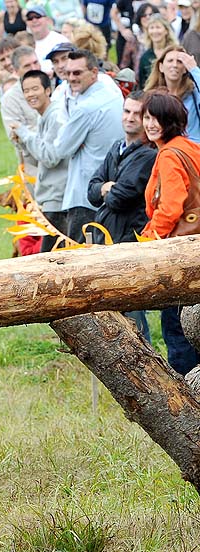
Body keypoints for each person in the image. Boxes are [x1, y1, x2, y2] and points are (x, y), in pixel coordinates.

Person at [86, 90, 156, 338]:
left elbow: (120, 197)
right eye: (127, 111)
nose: (130, 118)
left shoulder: (149, 154)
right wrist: (106, 187)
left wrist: (107, 188)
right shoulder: (117, 147)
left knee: (132, 316)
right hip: (107, 237)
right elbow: (92, 190)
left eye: (138, 113)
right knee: (112, 312)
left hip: (129, 238)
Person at [140, 90, 200, 375]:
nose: (150, 124)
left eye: (157, 119)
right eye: (147, 117)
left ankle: (190, 396)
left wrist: (148, 243)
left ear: (171, 120)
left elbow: (171, 207)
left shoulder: (169, 155)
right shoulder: (189, 146)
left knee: (178, 332)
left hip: (179, 252)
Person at [46, 50, 123, 241]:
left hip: (85, 194)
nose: (71, 78)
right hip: (109, 187)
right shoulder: (110, 89)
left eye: (77, 73)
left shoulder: (86, 108)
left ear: (94, 72)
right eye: (69, 73)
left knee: (77, 258)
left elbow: (60, 148)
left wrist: (73, 139)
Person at [10, 70, 69, 252]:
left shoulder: (56, 116)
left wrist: (25, 133)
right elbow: (41, 155)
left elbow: (50, 157)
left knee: (50, 260)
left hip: (58, 199)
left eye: (35, 89)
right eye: (26, 91)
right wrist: (23, 142)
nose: (30, 94)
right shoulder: (43, 116)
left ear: (48, 90)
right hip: (49, 197)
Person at [144, 45, 200, 142]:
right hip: (163, 150)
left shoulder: (194, 94)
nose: (175, 65)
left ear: (185, 68)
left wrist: (194, 70)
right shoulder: (152, 97)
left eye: (179, 62)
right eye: (170, 61)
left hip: (191, 151)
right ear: (161, 67)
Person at [0, 45, 41, 174]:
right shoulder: (10, 99)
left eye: (36, 62)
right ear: (16, 71)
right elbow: (16, 136)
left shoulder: (54, 87)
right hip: (33, 167)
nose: (34, 68)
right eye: (27, 66)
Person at [24, 6, 69, 75]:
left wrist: (53, 73)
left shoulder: (60, 40)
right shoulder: (25, 45)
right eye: (30, 18)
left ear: (47, 20)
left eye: (38, 16)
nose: (34, 20)